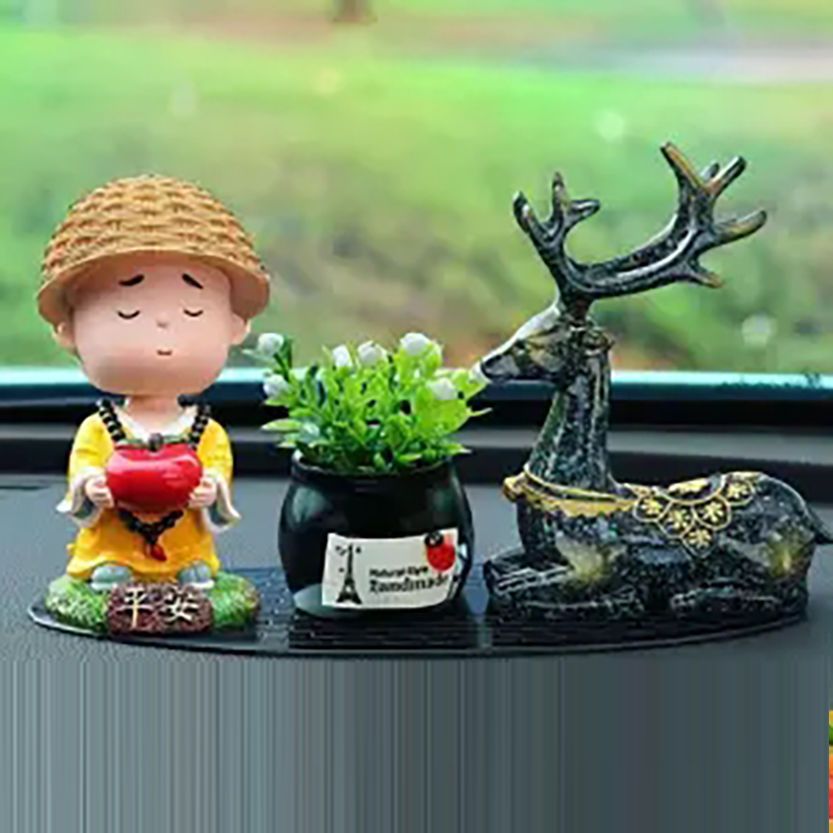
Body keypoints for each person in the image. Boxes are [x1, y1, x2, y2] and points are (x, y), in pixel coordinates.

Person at [37, 174, 270, 591]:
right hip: (113, 541)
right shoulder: (99, 429)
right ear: (69, 331)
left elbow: (218, 474)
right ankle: (112, 560)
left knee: (193, 564)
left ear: (234, 327)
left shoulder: (207, 433)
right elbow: (82, 474)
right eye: (127, 313)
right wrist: (92, 486)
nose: (163, 324)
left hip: (186, 543)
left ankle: (186, 562)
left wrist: (209, 490)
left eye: (193, 313)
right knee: (111, 559)